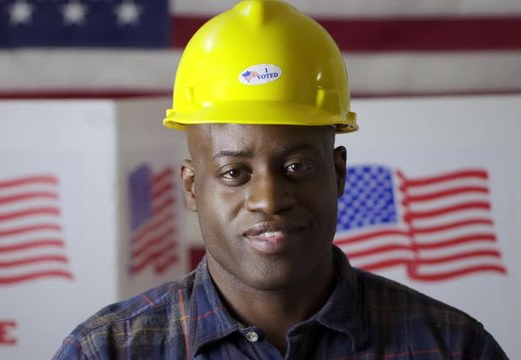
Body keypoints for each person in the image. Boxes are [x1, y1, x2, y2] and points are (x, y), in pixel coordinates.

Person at [52, 1, 508, 358]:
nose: (269, 199)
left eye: (296, 167)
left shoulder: (452, 346)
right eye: (235, 173)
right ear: (192, 187)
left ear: (338, 172)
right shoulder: (107, 351)